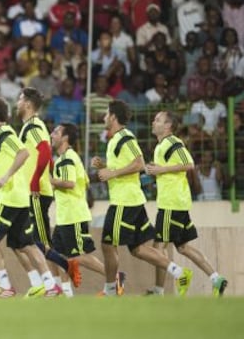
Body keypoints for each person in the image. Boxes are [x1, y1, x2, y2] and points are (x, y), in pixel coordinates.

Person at [91, 100, 193, 296]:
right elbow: (124, 167)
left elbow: (139, 164)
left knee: (107, 244)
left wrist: (111, 174)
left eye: (106, 114)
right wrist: (103, 166)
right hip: (131, 199)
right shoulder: (115, 140)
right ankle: (179, 272)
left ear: (113, 117)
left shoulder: (124, 137)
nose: (104, 117)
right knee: (137, 249)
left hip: (124, 201)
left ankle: (111, 289)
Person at [0, 97, 62, 297]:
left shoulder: (5, 132)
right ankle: (50, 285)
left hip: (8, 197)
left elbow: (23, 153)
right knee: (26, 244)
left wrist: (6, 175)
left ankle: (6, 286)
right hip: (18, 198)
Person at [146, 110, 228, 296]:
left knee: (158, 248)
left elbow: (189, 163)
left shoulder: (173, 142)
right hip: (177, 202)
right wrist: (153, 173)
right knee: (182, 247)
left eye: (158, 120)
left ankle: (163, 288)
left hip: (171, 204)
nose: (153, 122)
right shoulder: (162, 146)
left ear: (168, 126)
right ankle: (217, 279)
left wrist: (161, 169)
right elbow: (166, 172)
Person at [16, 88, 82, 296]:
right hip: (33, 190)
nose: (17, 103)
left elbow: (45, 150)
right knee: (30, 241)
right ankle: (55, 286)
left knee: (38, 242)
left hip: (36, 192)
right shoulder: (30, 126)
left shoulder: (33, 125)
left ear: (27, 104)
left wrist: (36, 181)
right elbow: (46, 157)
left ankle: (61, 273)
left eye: (19, 100)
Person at [50, 123, 106, 294]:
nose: (52, 134)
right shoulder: (68, 158)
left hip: (73, 215)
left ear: (65, 138)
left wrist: (49, 180)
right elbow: (84, 183)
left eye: (56, 132)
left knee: (76, 255)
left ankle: (115, 276)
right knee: (59, 255)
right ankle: (65, 293)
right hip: (65, 215)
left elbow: (70, 183)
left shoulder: (67, 158)